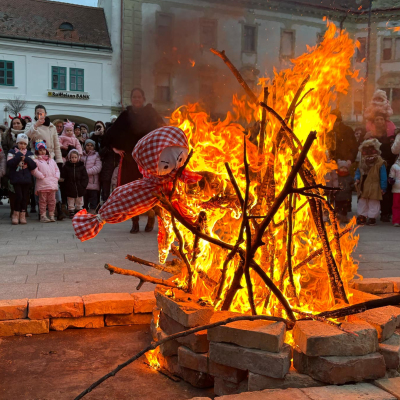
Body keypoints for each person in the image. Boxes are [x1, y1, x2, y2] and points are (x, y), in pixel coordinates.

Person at [102, 88, 165, 233]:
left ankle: (151, 218)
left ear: (143, 99)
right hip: (130, 160)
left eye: (139, 97)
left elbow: (163, 129)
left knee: (150, 190)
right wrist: (114, 148)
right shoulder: (125, 116)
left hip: (148, 160)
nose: (136, 99)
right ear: (131, 99)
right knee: (131, 192)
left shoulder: (151, 113)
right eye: (134, 97)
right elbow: (109, 135)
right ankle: (134, 222)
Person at [355, 139, 388, 226]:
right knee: (362, 201)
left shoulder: (380, 162)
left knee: (374, 202)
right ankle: (362, 216)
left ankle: (372, 217)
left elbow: (383, 176)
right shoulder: (362, 161)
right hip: (363, 184)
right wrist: (357, 179)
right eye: (366, 149)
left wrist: (383, 187)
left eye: (371, 149)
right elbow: (358, 171)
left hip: (375, 185)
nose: (369, 151)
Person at [6, 134, 37, 224]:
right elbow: (9, 163)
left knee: (24, 197)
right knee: (18, 196)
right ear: (17, 143)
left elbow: (34, 165)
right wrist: (18, 156)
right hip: (16, 178)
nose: (22, 145)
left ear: (26, 144)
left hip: (26, 179)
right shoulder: (12, 152)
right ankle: (15, 214)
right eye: (20, 143)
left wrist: (26, 159)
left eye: (24, 144)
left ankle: (23, 214)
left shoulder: (29, 153)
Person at [31, 140, 60, 223]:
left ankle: (51, 214)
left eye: (44, 149)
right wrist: (41, 176)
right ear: (37, 151)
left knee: (52, 200)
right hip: (42, 184)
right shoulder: (36, 161)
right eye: (40, 150)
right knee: (42, 201)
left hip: (52, 184)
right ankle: (43, 215)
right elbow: (34, 170)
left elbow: (56, 169)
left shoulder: (51, 160)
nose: (42, 151)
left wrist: (56, 177)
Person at [61, 149, 88, 218]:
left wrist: (83, 185)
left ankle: (79, 210)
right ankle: (71, 211)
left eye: (75, 157)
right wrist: (65, 184)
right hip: (70, 186)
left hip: (79, 186)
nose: (74, 159)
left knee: (79, 199)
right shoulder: (66, 166)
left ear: (78, 158)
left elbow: (85, 176)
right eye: (72, 157)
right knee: (70, 199)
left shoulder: (81, 166)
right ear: (70, 158)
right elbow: (63, 175)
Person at [81, 139, 102, 213]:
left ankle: (93, 210)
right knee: (84, 199)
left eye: (91, 145)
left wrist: (85, 172)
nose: (89, 147)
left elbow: (98, 168)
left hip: (93, 182)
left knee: (93, 198)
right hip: (83, 182)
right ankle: (84, 210)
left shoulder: (96, 155)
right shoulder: (81, 155)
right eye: (87, 145)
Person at [389, 155, 400, 227]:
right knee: (396, 205)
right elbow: (391, 175)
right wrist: (391, 179)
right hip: (397, 189)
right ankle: (396, 220)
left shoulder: (395, 166)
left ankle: (396, 221)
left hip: (397, 187)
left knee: (396, 205)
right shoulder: (395, 166)